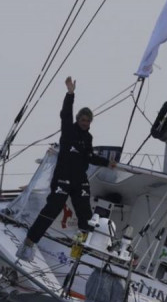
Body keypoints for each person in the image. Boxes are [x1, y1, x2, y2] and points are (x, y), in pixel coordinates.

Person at [19, 77, 116, 260]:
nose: (85, 123)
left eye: (88, 121)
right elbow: (65, 113)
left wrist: (106, 163)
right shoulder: (68, 130)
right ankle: (29, 243)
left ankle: (79, 251)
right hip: (63, 178)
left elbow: (90, 157)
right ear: (78, 119)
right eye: (83, 119)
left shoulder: (88, 138)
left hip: (79, 181)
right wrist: (70, 93)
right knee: (52, 209)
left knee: (86, 217)